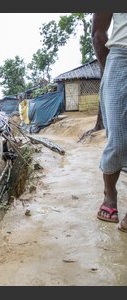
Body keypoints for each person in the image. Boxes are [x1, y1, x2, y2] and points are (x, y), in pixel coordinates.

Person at [93, 13, 127, 232]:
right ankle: (110, 193)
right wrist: (108, 69)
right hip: (121, 57)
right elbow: (98, 32)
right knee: (118, 138)